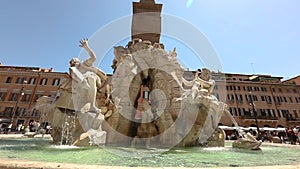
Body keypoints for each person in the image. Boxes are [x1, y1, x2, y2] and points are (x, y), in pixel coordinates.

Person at [69, 39, 107, 113]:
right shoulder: (73, 69)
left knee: (91, 78)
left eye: (75, 60)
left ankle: (92, 106)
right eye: (72, 62)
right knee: (73, 70)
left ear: (79, 61)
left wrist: (86, 47)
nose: (73, 61)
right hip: (81, 80)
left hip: (91, 78)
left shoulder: (84, 64)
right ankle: (83, 82)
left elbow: (93, 57)